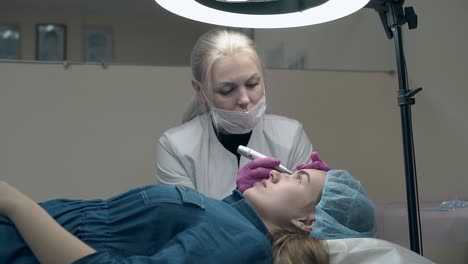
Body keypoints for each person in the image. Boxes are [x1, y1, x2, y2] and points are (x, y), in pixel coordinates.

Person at [0, 169, 375, 263]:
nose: (277, 172)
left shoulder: (242, 244)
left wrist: (16, 204)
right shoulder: (234, 223)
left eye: (299, 178)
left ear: (307, 222)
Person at [154, 29, 315, 199]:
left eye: (252, 84)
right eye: (227, 90)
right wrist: (240, 200)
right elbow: (190, 222)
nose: (244, 99)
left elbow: (307, 213)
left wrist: (324, 189)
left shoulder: (290, 136)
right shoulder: (175, 147)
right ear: (200, 90)